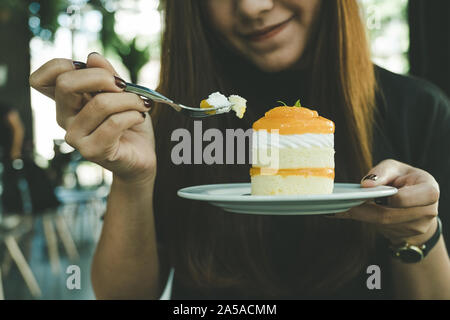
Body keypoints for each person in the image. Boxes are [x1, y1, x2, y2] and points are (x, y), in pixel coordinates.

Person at [29, 0, 450, 299]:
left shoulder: (418, 110)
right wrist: (132, 177)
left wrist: (416, 234)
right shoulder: (171, 119)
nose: (251, 6)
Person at [0, 102, 25, 213]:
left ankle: (14, 212)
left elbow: (18, 129)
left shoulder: (5, 108)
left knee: (11, 184)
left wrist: (15, 151)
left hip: (10, 155)